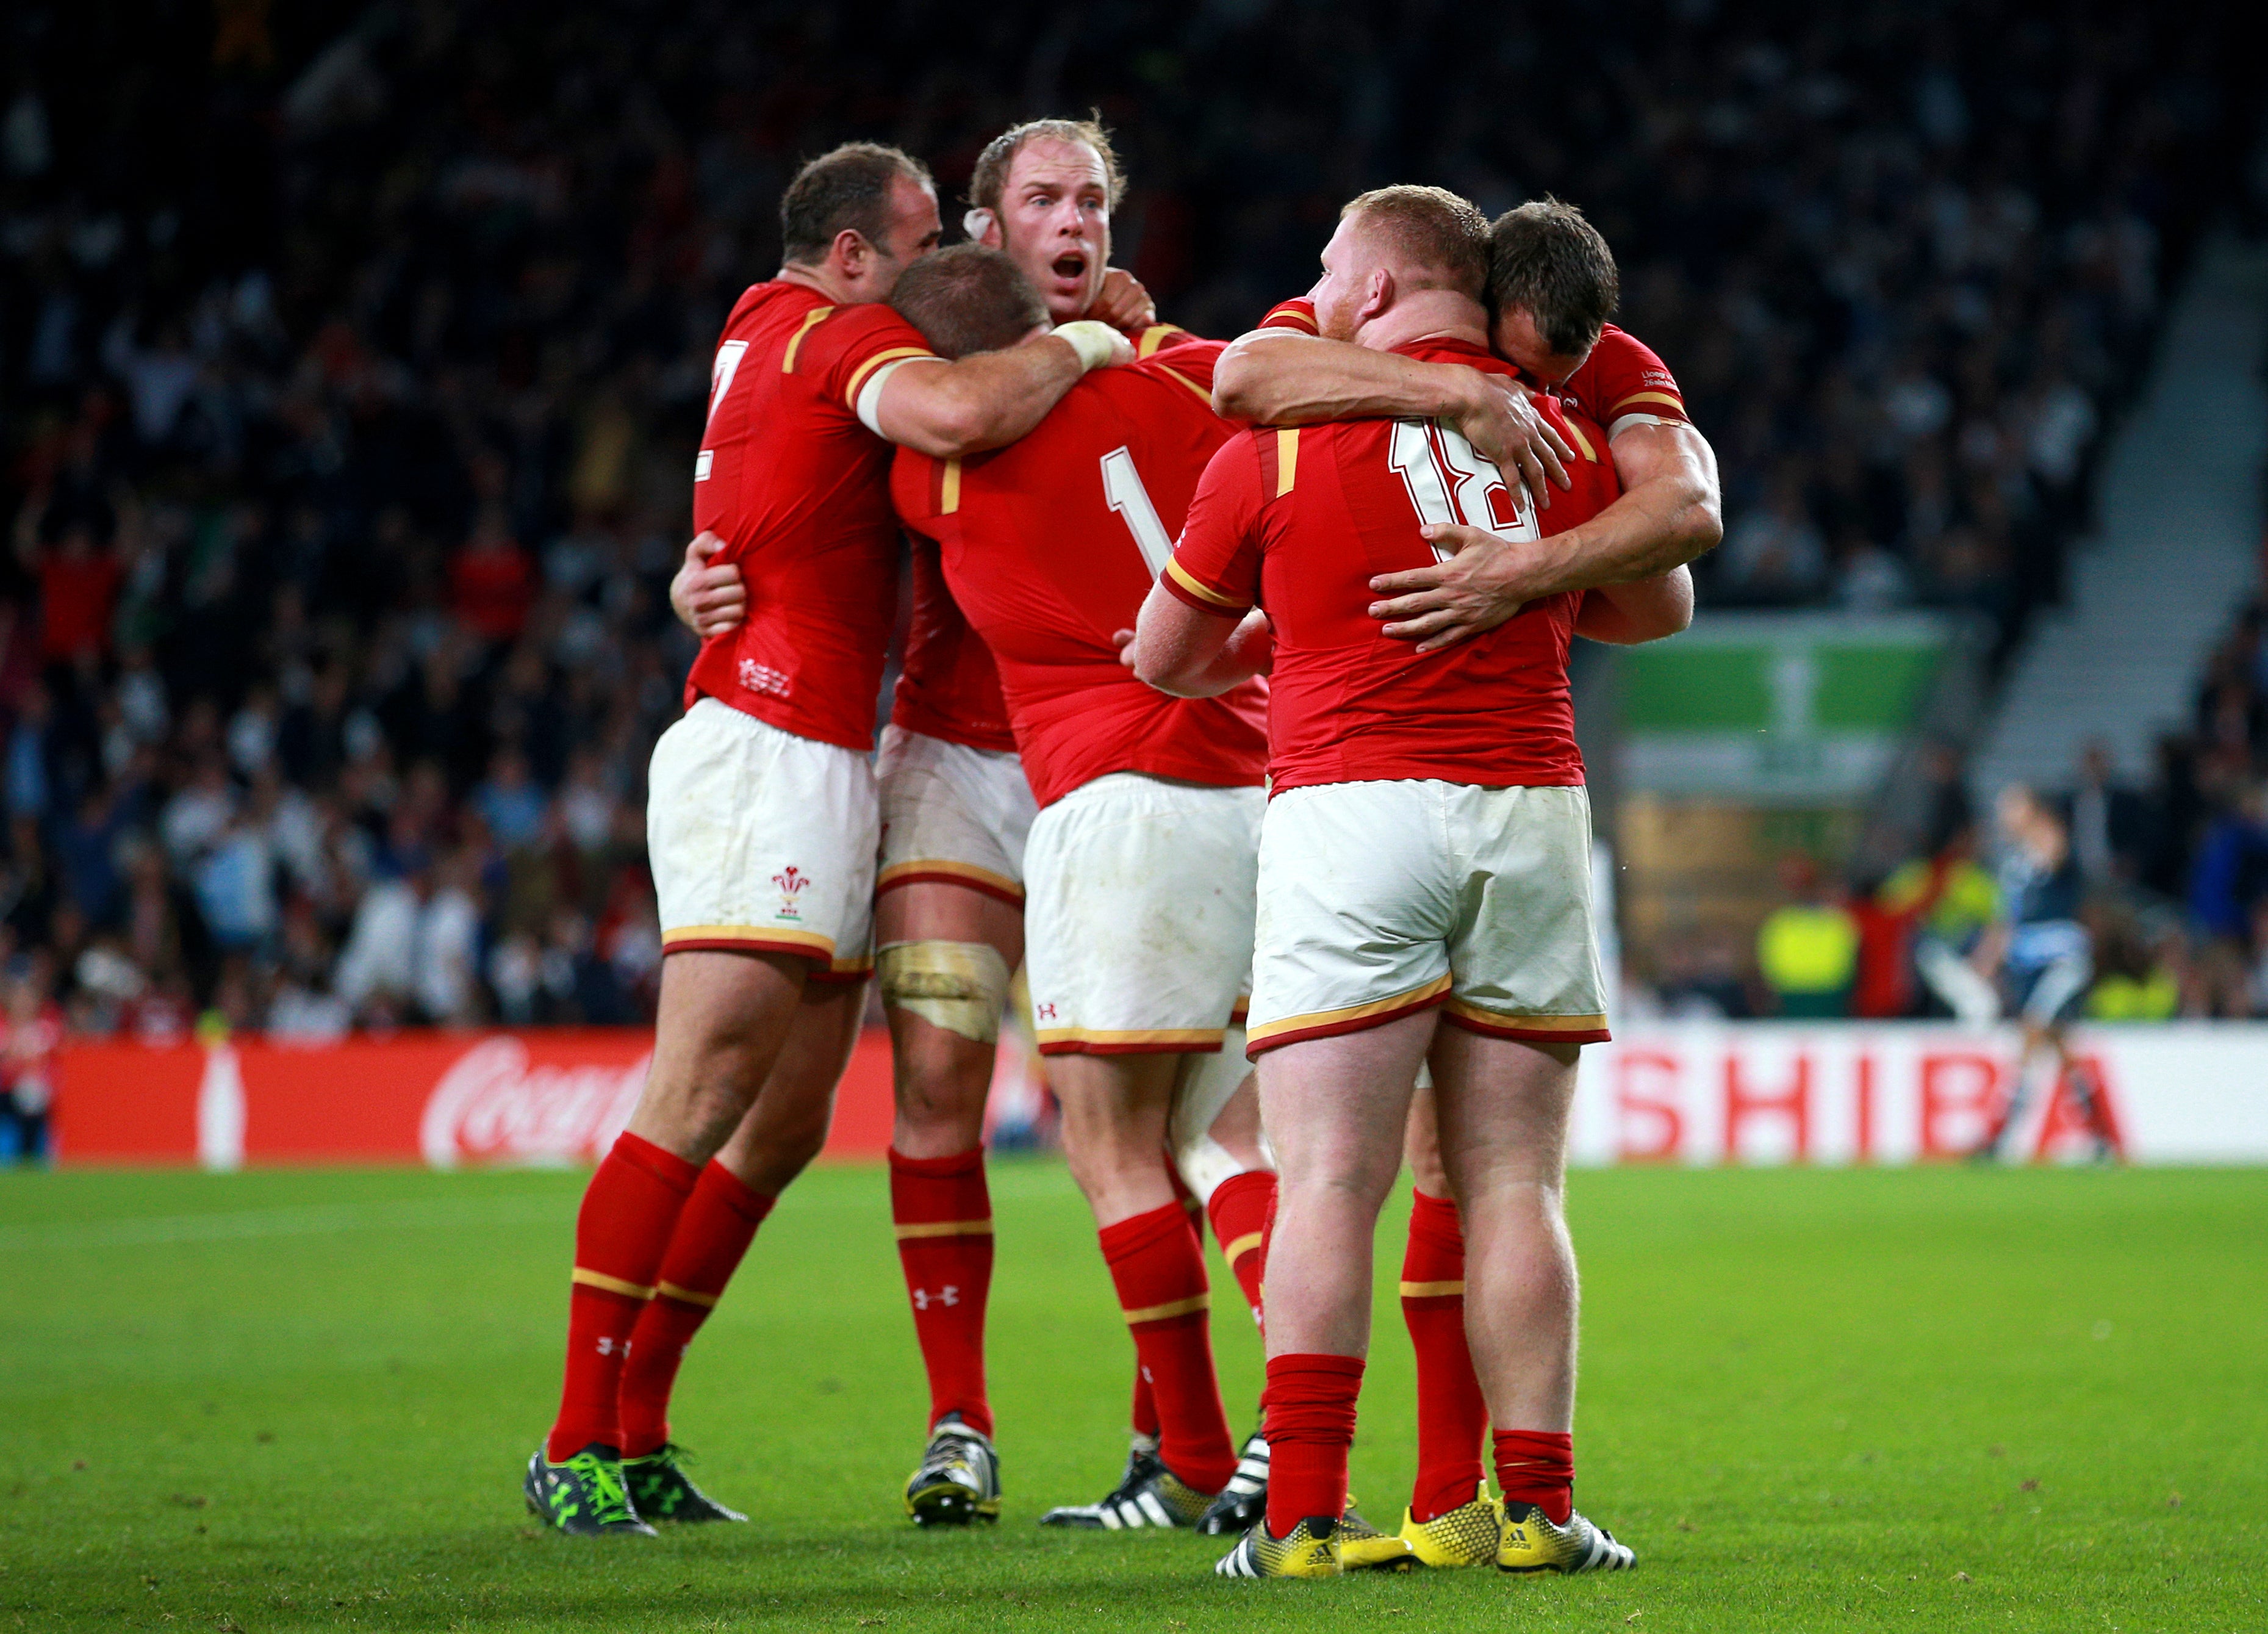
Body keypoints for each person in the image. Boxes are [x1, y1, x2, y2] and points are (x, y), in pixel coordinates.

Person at [522, 140, 1136, 1538]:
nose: (932, 275)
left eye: (1089, 201)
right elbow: (953, 409)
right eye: (925, 243)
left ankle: (635, 1425)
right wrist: (1087, 344)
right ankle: (576, 1439)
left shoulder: (768, 329)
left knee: (784, 1117)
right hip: (785, 750)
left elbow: (783, 497)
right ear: (859, 255)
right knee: (705, 1083)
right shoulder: (840, 333)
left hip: (835, 762)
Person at [1135, 184, 1656, 1580]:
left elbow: (1160, 651)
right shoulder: (1556, 428)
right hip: (1532, 805)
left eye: (1322, 267)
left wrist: (1283, 632)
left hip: (1349, 807)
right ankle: (1534, 1506)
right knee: (1515, 1185)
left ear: (1370, 290)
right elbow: (1654, 599)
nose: (1310, 288)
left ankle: (1303, 1514)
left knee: (1327, 1179)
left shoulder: (1280, 441)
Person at [1972, 786, 2121, 1161]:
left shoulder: (2051, 846)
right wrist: (1989, 957)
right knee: (2058, 1047)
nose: (2004, 816)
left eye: (2011, 807)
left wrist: (2035, 822)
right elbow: (2007, 918)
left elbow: (2055, 850)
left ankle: (1999, 1138)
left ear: (2035, 813)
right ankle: (2101, 1138)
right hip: (2027, 965)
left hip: (2061, 963)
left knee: (2031, 1034)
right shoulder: (2013, 864)